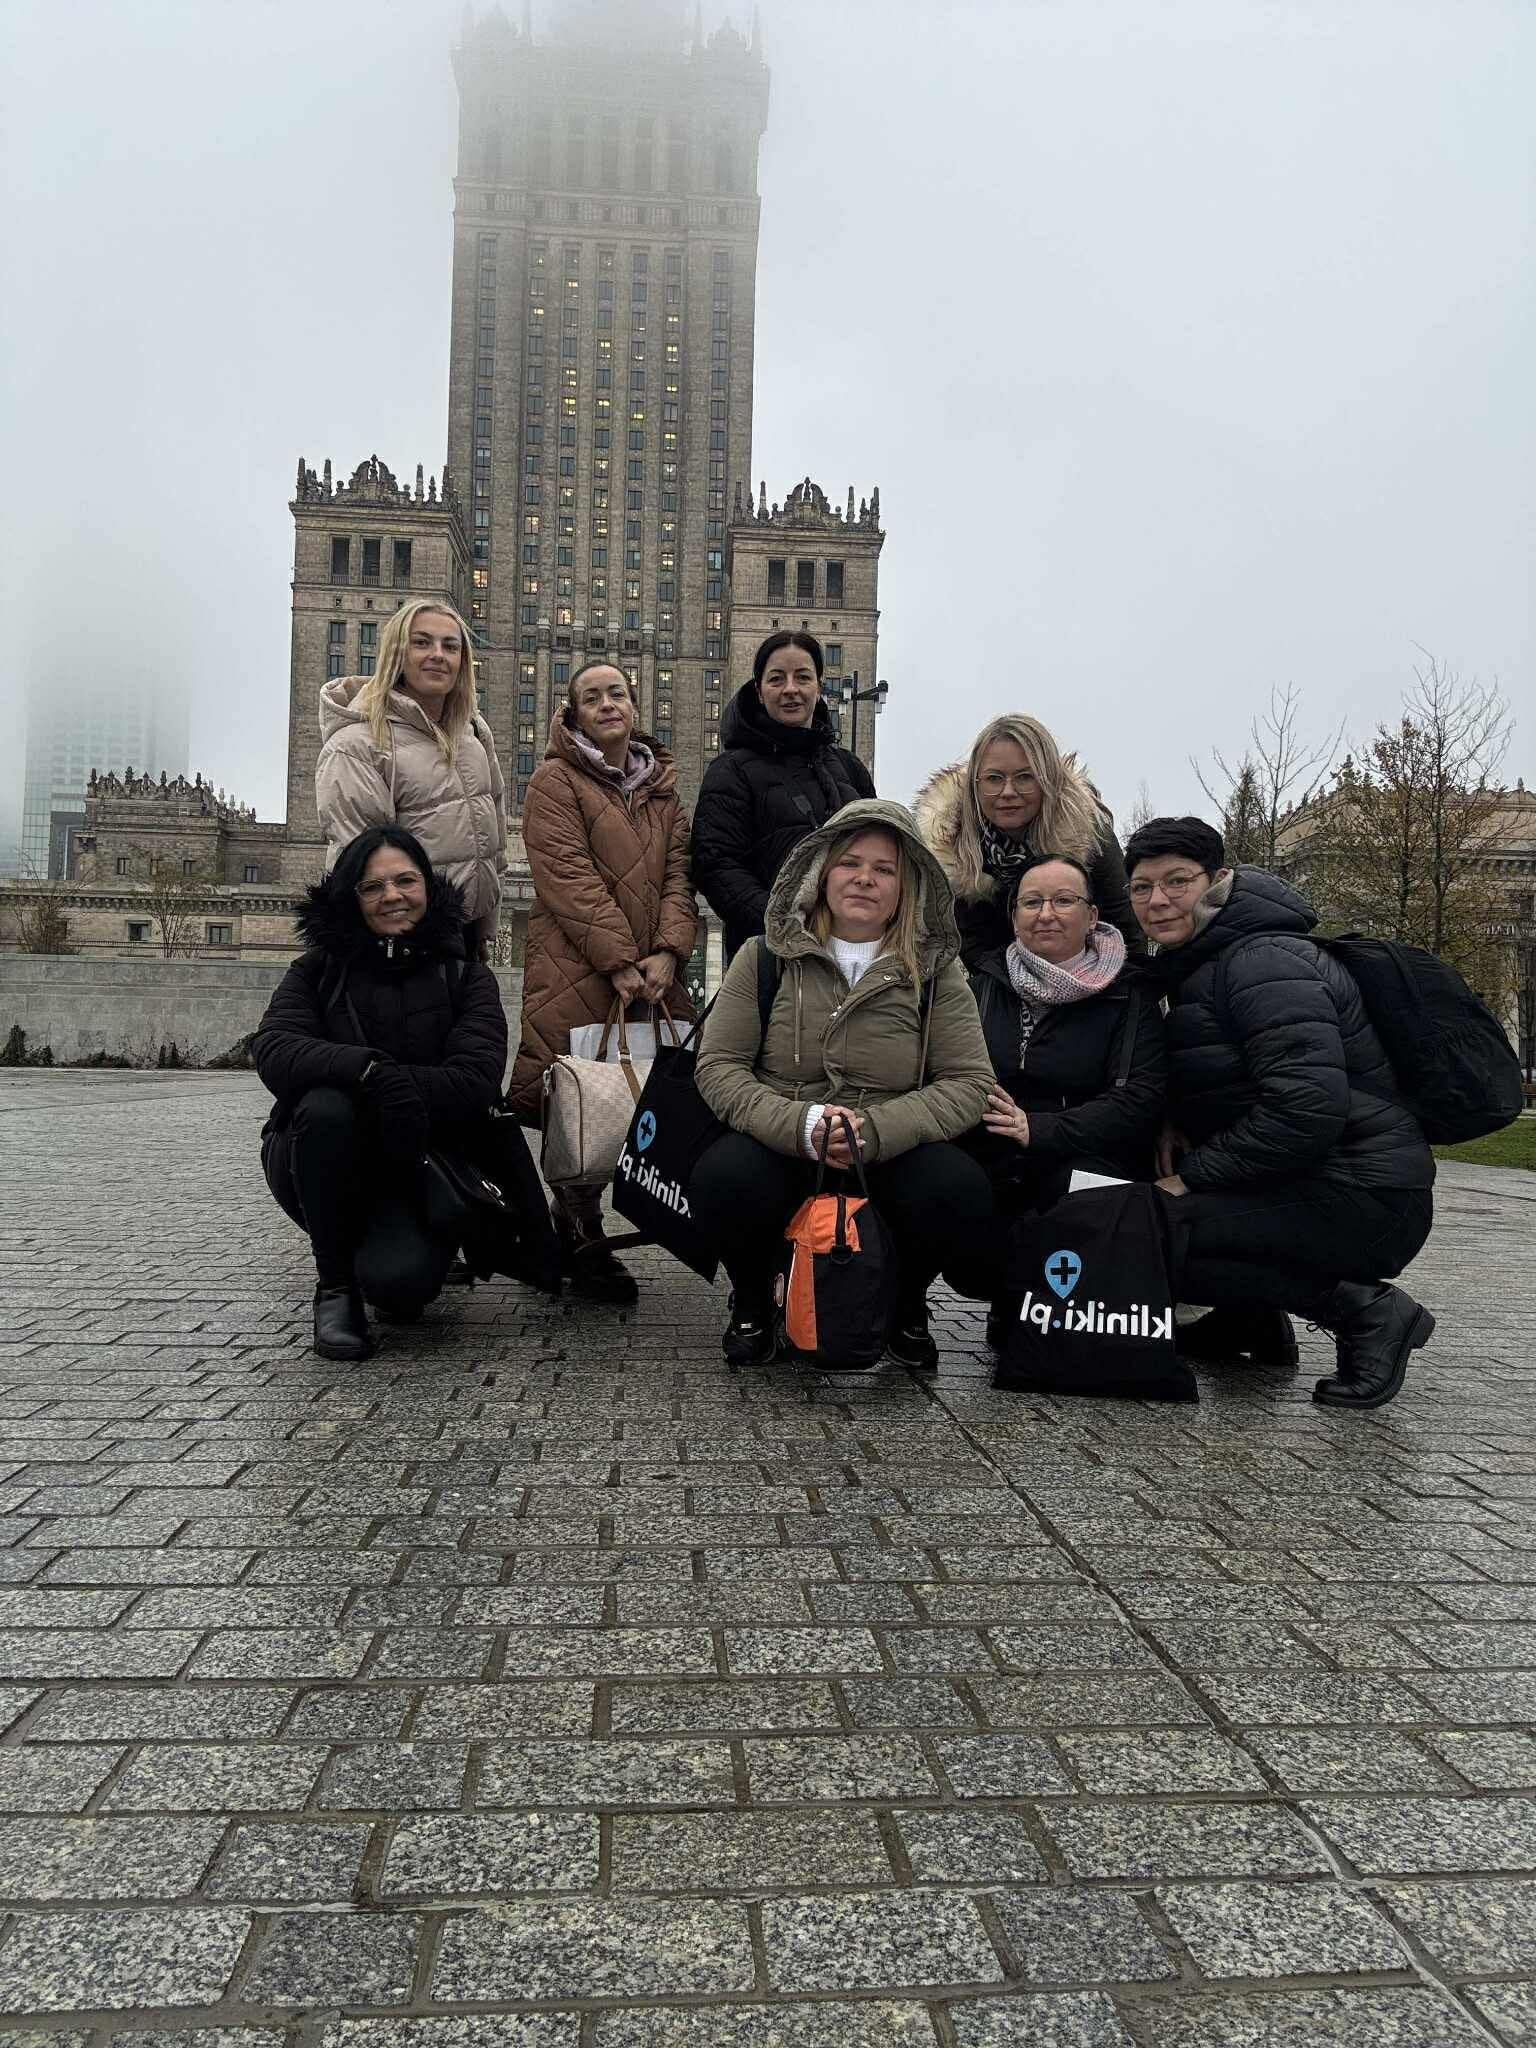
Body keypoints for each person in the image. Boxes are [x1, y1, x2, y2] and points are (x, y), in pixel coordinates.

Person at [1126, 815, 1436, 1409]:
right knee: (1150, 1211)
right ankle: (1249, 1320)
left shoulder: (1263, 962)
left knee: (1148, 1225)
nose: (1157, 900)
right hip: (1320, 1181)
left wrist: (1191, 1176)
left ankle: (1369, 1312)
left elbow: (1304, 1110)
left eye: (1177, 881)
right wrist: (1174, 1118)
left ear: (1218, 882)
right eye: (1142, 887)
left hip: (1365, 1193)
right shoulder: (1206, 960)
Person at [690, 798, 996, 1370]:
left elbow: (968, 1081)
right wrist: (801, 1125)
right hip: (785, 1134)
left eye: (884, 869)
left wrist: (875, 1131)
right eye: (850, 862)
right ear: (821, 873)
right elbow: (719, 1065)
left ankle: (905, 1304)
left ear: (907, 887)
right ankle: (754, 1299)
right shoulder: (763, 957)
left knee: (957, 1187)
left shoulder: (937, 972)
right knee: (723, 1177)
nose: (864, 878)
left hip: (886, 1141)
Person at [252, 825, 556, 1363]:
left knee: (402, 1288)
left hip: (423, 1162)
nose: (391, 896)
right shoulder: (316, 971)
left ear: (427, 887)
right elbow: (274, 1048)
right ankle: (335, 1288)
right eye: (372, 887)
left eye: (405, 881)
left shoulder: (467, 978)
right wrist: (367, 1072)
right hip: (320, 1156)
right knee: (324, 1107)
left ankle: (388, 1249)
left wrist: (384, 1080)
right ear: (352, 897)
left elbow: (474, 1079)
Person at [509, 659, 698, 1302]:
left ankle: (610, 1218)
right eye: (592, 697)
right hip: (576, 968)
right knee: (579, 1099)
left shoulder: (663, 789)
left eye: (617, 693)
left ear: (635, 705)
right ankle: (580, 1230)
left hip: (651, 977)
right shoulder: (554, 780)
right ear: (574, 714)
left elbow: (679, 878)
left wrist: (669, 953)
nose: (607, 704)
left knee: (647, 1097)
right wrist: (619, 960)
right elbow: (566, 874)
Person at [966, 853, 1166, 1343]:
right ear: (1014, 915)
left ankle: (1066, 1311)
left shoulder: (1130, 992)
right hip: (991, 1148)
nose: (1046, 914)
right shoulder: (982, 985)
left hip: (1088, 1152)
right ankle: (999, 1294)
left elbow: (1139, 1097)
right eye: (1031, 902)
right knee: (942, 1182)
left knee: (1080, 1192)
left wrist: (1039, 1129)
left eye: (1063, 900)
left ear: (1092, 915)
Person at [315, 598, 508, 963]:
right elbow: (362, 862)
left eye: (450, 646)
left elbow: (493, 840)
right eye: (422, 642)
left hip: (464, 940)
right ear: (397, 653)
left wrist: (484, 929)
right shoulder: (356, 744)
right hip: (402, 945)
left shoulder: (473, 733)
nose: (438, 655)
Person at [692, 630, 876, 962]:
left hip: (850, 951)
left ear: (819, 687)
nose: (790, 689)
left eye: (802, 677)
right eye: (776, 679)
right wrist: (784, 924)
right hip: (770, 955)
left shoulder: (850, 769)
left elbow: (878, 853)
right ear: (759, 691)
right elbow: (716, 865)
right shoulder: (731, 770)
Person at [915, 713, 1140, 971]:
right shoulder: (952, 853)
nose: (1008, 792)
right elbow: (976, 950)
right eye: (994, 779)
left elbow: (1126, 931)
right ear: (975, 785)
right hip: (1001, 982)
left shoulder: (1089, 836)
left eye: (1024, 777)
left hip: (1095, 978)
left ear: (1047, 780)